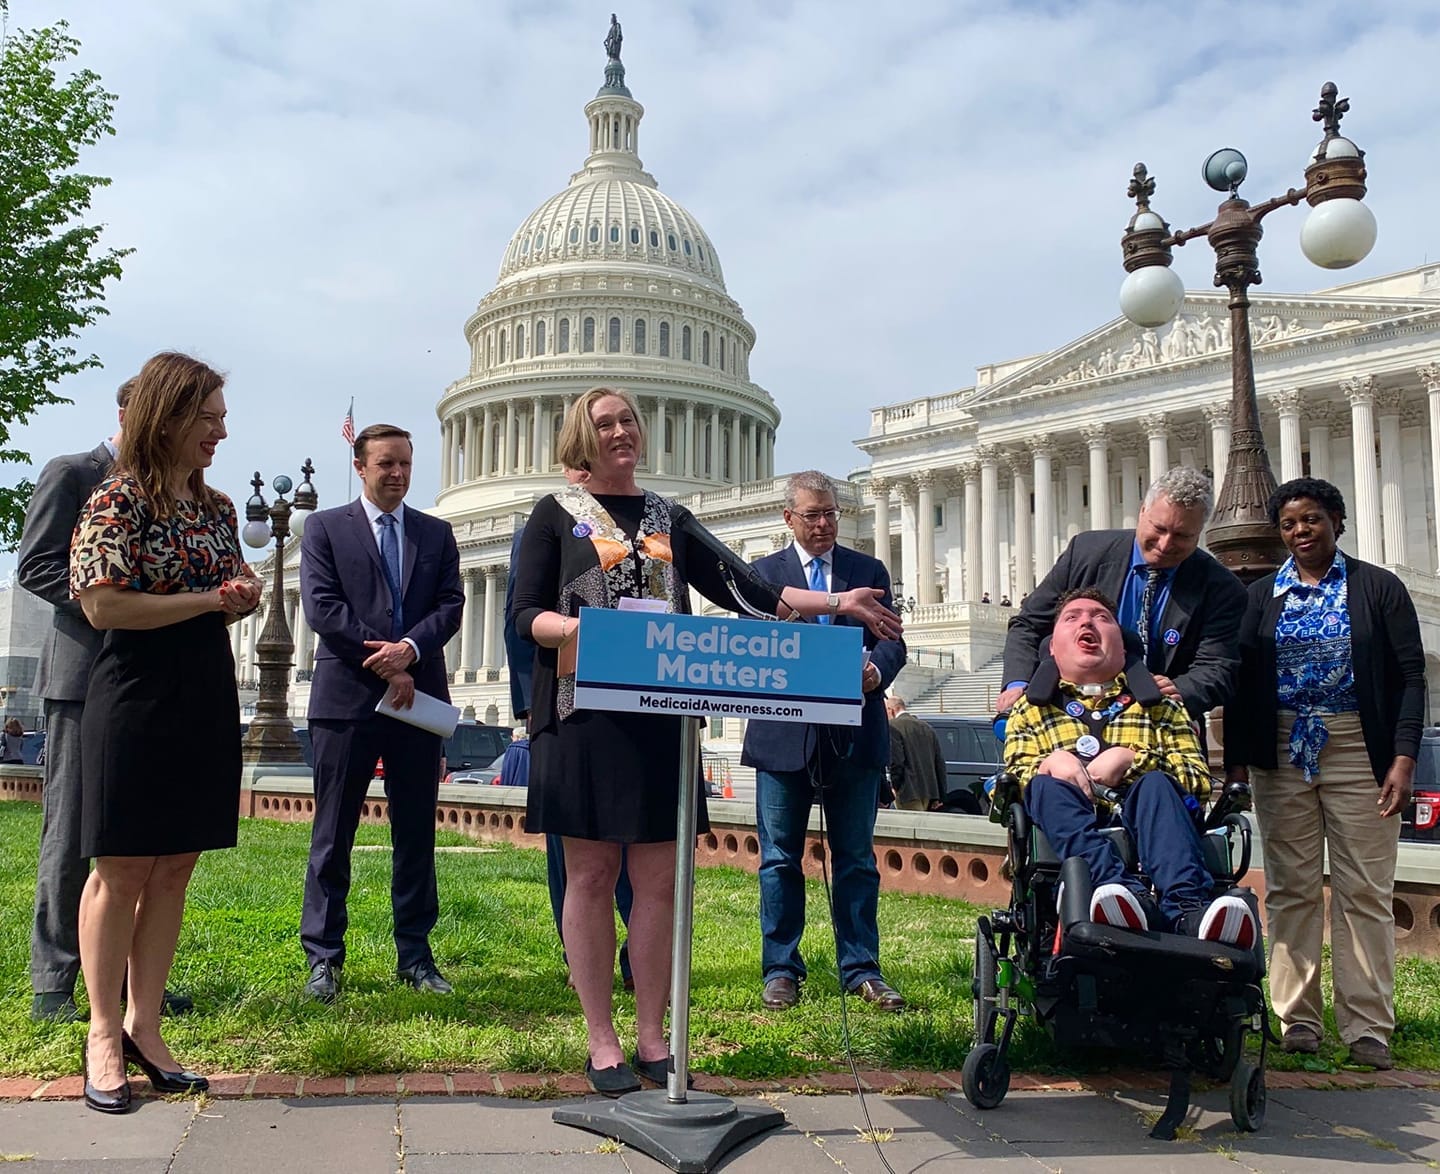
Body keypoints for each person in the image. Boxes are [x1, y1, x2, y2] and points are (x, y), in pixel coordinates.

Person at [510, 390, 900, 1096]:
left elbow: (751, 590)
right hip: (583, 716)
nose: (622, 431)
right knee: (592, 876)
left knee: (661, 882)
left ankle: (655, 1036)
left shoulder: (667, 517)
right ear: (581, 438)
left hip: (662, 716)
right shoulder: (553, 516)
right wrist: (579, 633)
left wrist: (839, 602)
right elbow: (523, 614)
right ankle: (602, 1040)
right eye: (605, 424)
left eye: (628, 420)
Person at [69, 351, 261, 1114]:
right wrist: (206, 599)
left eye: (220, 418)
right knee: (120, 870)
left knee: (175, 866)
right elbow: (103, 608)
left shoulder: (215, 508)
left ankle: (149, 1028)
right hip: (134, 695)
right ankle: (104, 1033)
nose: (220, 430)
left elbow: (227, 588)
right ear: (168, 416)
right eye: (207, 418)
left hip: (203, 694)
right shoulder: (116, 499)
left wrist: (238, 598)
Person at [1223, 478, 1423, 1071]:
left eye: (1311, 519)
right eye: (1288, 524)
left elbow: (1410, 676)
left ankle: (1367, 1027)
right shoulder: (1262, 597)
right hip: (1283, 748)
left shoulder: (1377, 589)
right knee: (1291, 887)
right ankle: (1299, 1019)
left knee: (1365, 888)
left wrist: (1403, 757)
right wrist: (1236, 761)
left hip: (1359, 745)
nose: (1300, 532)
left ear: (1337, 520)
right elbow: (1241, 681)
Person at [18, 380, 190, 1024]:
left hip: (147, 680)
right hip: (83, 674)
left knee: (137, 834)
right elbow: (35, 566)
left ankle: (124, 976)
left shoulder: (170, 488)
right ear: (127, 414)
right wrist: (114, 603)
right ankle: (55, 979)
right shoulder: (75, 472)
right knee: (72, 830)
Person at [298, 424, 464, 1003]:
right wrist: (387, 661)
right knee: (333, 831)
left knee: (416, 831)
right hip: (347, 701)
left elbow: (451, 606)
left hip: (417, 701)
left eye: (406, 465)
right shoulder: (323, 528)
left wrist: (411, 652)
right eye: (386, 464)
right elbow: (323, 608)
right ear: (361, 465)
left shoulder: (436, 533)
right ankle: (324, 956)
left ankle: (415, 956)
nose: (397, 474)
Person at [742, 470, 909, 1014]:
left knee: (856, 858)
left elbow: (893, 642)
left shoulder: (869, 570)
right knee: (779, 859)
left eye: (831, 513)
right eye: (812, 515)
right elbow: (754, 641)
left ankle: (862, 968)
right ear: (788, 518)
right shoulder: (765, 575)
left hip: (855, 732)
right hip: (784, 736)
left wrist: (876, 675)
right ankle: (782, 969)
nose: (824, 524)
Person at [1005, 589, 1256, 943]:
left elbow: (1199, 782)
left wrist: (1133, 759)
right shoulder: (1029, 711)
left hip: (1156, 820)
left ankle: (1188, 912)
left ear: (1123, 648)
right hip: (1070, 825)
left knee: (1155, 783)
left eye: (1102, 617)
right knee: (1043, 787)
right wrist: (1049, 764)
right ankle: (1115, 892)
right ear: (1052, 648)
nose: (1087, 622)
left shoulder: (1163, 707)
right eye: (1072, 617)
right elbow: (1013, 781)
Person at [503, 468, 635, 990]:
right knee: (574, 850)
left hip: (636, 702)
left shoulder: (646, 527)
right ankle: (577, 951)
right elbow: (522, 618)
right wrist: (527, 708)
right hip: (568, 698)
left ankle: (631, 951)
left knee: (636, 848)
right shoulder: (549, 520)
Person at [999, 467, 1247, 722]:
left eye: (1182, 536)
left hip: (1160, 723)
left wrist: (1180, 690)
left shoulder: (1221, 588)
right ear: (1142, 511)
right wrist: (1018, 683)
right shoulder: (1086, 553)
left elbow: (1218, 667)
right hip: (1067, 717)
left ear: (1199, 532)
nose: (1165, 544)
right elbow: (1028, 624)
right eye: (1159, 528)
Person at [884, 696, 945, 812]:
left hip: (908, 790)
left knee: (908, 827)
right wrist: (940, 795)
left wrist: (895, 786)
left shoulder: (893, 726)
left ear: (891, 709)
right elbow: (939, 763)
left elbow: (896, 761)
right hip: (929, 790)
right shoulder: (927, 727)